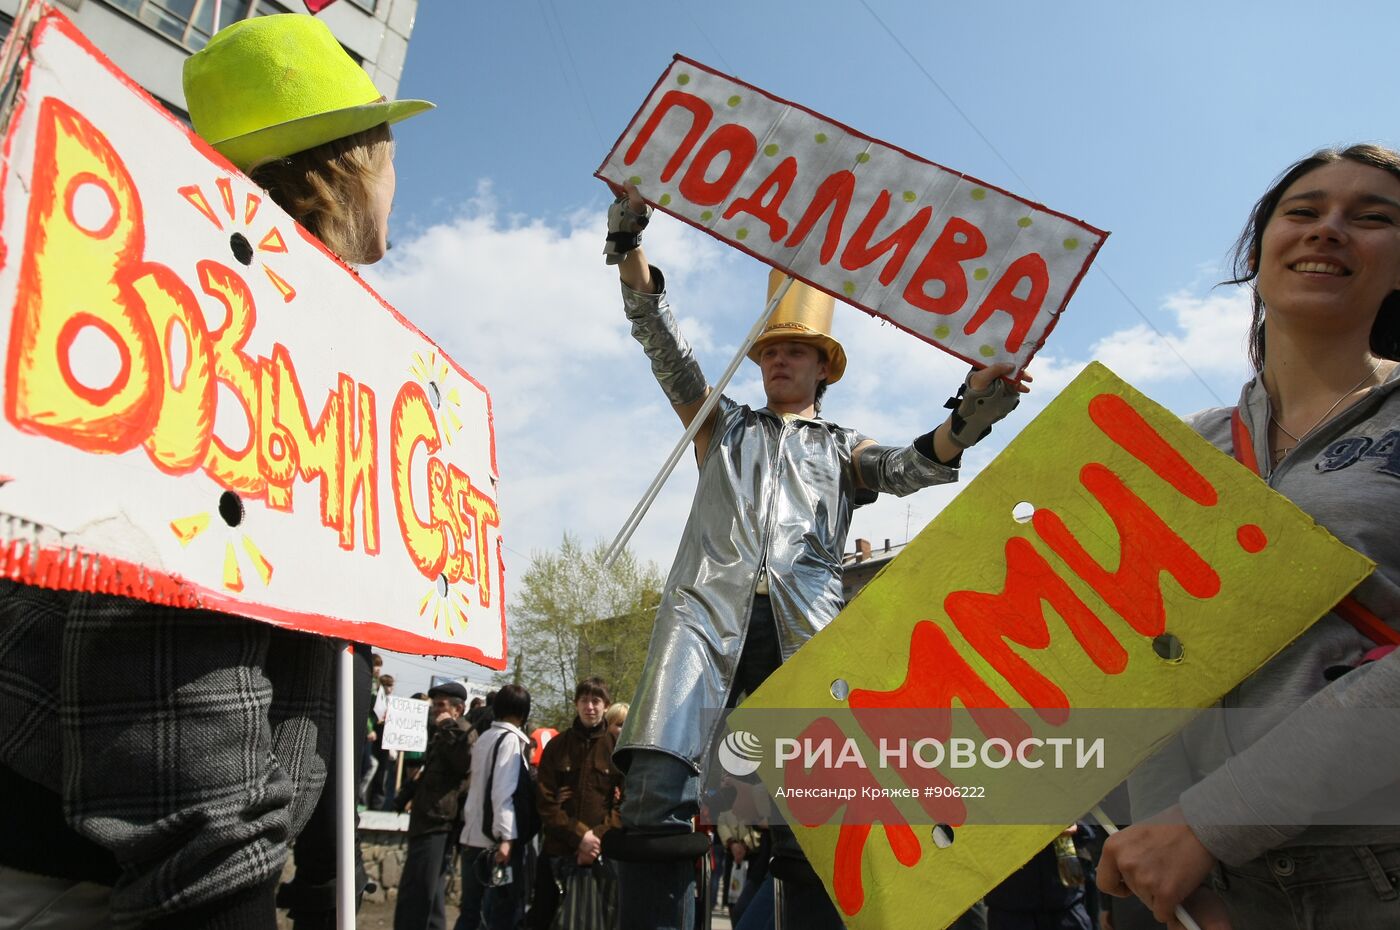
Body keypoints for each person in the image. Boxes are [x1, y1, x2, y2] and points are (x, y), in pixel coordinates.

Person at [0, 13, 431, 928]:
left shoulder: (326, 362)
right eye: (389, 145)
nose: (401, 172)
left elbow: (315, 660)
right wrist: (229, 899)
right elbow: (167, 691)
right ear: (348, 161)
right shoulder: (212, 330)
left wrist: (321, 884)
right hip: (92, 879)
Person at [599, 182, 1029, 930]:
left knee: (826, 805)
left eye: (794, 349)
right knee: (652, 787)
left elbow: (917, 466)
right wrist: (630, 238)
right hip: (703, 621)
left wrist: (973, 411)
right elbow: (657, 335)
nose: (778, 360)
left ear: (824, 366)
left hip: (809, 634)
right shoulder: (719, 426)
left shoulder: (842, 450)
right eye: (769, 350)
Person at [1099, 145, 1400, 930]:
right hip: (1214, 889)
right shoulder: (1177, 448)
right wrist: (1165, 845)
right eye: (1303, 212)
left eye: (1373, 218)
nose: (1328, 230)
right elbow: (1154, 657)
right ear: (1260, 249)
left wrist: (1211, 821)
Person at [531, 677, 625, 929]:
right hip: (557, 853)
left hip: (601, 855)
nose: (590, 707)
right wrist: (580, 837)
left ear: (606, 705)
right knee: (546, 920)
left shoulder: (618, 750)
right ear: (576, 704)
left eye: (596, 701)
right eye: (584, 700)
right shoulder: (557, 746)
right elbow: (546, 802)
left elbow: (627, 803)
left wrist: (596, 839)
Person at [394, 682, 476, 930]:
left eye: (441, 705)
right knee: (427, 890)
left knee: (420, 892)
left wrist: (447, 726)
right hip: (428, 817)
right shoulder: (445, 732)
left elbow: (464, 763)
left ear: (457, 709)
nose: (435, 710)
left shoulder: (461, 731)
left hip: (440, 820)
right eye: (435, 705)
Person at [457, 683, 534, 930]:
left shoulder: (485, 738)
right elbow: (503, 791)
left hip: (472, 836)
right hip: (495, 842)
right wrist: (506, 838)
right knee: (500, 914)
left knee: (469, 911)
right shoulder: (510, 741)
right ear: (523, 712)